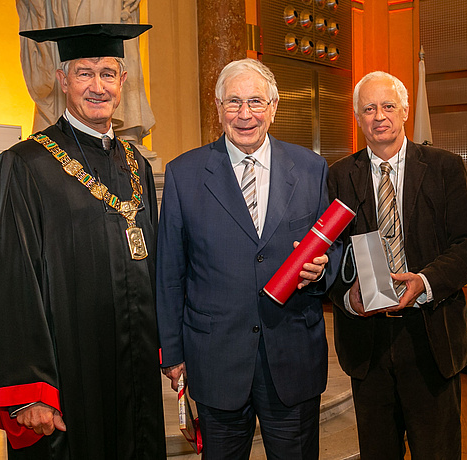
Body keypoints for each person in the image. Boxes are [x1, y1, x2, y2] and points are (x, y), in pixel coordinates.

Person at [0, 23, 165, 459]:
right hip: (67, 374)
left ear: (123, 83)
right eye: (84, 73)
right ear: (62, 81)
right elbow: (10, 280)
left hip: (133, 369)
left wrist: (167, 347)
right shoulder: (24, 164)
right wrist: (31, 390)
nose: (97, 86)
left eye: (108, 73)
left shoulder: (136, 163)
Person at [156, 58, 338, 459]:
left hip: (293, 358)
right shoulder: (184, 174)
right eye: (233, 102)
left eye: (256, 101)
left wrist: (322, 271)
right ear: (217, 107)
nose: (245, 114)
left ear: (273, 107)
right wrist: (171, 352)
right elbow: (170, 271)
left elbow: (334, 250)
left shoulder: (311, 168)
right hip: (215, 359)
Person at [327, 71, 467, 459]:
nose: (379, 116)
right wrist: (347, 297)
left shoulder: (445, 167)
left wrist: (425, 281)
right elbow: (328, 254)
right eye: (369, 108)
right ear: (357, 117)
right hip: (368, 345)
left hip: (430, 336)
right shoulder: (337, 177)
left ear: (405, 111)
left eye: (388, 106)